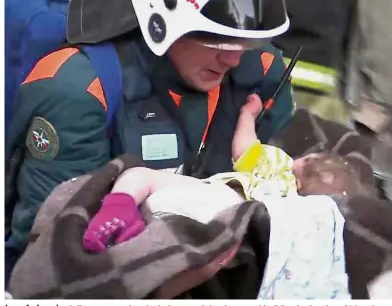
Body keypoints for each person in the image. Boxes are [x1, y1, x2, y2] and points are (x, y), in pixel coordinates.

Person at [5, 0, 295, 285]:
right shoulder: (81, 90)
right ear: (162, 21)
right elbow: (45, 256)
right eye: (215, 40)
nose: (234, 58)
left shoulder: (262, 73)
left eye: (246, 42)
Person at [82, 93, 368, 253]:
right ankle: (131, 235)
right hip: (227, 227)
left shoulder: (279, 167)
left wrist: (248, 115)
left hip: (222, 200)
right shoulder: (298, 230)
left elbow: (244, 150)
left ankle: (117, 209)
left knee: (141, 175)